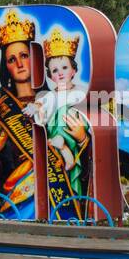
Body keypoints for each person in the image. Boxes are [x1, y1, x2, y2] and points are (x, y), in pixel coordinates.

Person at [26, 28, 92, 217]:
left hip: (76, 142)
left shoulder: (81, 93)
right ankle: (64, 152)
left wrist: (82, 137)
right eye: (55, 70)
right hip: (55, 146)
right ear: (50, 75)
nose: (60, 73)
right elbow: (40, 111)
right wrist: (35, 109)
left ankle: (69, 154)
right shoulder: (49, 96)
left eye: (64, 68)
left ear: (73, 70)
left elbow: (89, 120)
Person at [0, 9, 38, 217]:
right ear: (6, 67)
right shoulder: (3, 107)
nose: (19, 64)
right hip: (14, 188)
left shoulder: (50, 100)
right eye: (11, 59)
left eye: (24, 56)